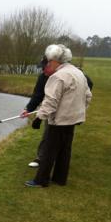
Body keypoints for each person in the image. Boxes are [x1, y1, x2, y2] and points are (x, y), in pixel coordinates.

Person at [24, 44, 92, 187]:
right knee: (65, 149)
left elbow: (50, 101)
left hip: (59, 120)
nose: (47, 64)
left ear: (55, 61)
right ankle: (60, 179)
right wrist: (80, 111)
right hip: (73, 119)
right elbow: (87, 96)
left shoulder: (58, 77)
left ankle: (41, 181)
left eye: (49, 61)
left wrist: (39, 117)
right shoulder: (78, 72)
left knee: (49, 150)